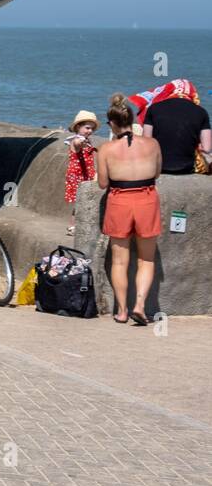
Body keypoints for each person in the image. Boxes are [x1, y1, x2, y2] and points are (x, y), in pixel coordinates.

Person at [97, 94, 163, 325]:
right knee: (146, 259)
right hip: (146, 199)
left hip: (119, 202)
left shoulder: (106, 149)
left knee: (119, 262)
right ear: (131, 120)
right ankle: (140, 306)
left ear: (112, 123)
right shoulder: (152, 144)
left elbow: (103, 183)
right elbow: (156, 173)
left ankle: (122, 310)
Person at [142, 88, 211, 175]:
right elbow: (207, 149)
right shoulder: (201, 111)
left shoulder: (153, 108)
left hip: (158, 167)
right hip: (186, 167)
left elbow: (146, 141)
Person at [64, 110, 98, 235]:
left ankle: (74, 225)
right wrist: (81, 142)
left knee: (81, 203)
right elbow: (77, 144)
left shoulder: (87, 140)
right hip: (77, 175)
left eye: (92, 129)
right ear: (78, 127)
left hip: (86, 174)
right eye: (87, 128)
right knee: (79, 202)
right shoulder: (76, 140)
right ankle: (73, 226)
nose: (90, 131)